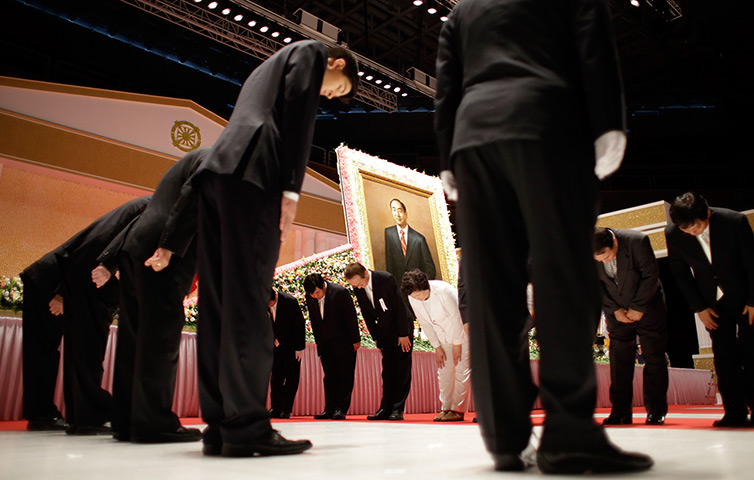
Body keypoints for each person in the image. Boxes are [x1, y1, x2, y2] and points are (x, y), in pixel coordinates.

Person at [434, 0, 653, 473]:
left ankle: (504, 436)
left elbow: (445, 88)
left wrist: (447, 155)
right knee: (563, 279)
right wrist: (610, 125)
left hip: (473, 139)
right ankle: (569, 434)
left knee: (491, 289)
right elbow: (594, 52)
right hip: (546, 122)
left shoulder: (463, 10)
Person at [150, 40, 358, 456]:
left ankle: (221, 424)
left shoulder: (267, 69)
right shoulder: (312, 55)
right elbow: (300, 112)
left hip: (218, 173)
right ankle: (246, 424)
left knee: (217, 304)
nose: (327, 95)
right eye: (336, 88)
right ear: (336, 63)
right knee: (248, 301)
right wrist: (291, 188)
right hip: (255, 171)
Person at [94, 147, 211, 443]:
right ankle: (153, 423)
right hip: (164, 251)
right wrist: (169, 246)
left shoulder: (202, 154)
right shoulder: (224, 154)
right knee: (160, 336)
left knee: (134, 338)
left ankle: (126, 419)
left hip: (138, 246)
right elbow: (193, 195)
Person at [56, 196, 151, 435]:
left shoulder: (147, 200)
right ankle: (90, 415)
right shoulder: (161, 201)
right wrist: (109, 264)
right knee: (88, 346)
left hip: (80, 265)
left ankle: (80, 416)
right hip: (94, 268)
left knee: (79, 349)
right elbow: (134, 231)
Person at [665, 192, 754, 427]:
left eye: (694, 226)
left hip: (745, 299)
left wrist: (753, 300)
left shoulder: (734, 221)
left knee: (751, 352)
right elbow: (680, 274)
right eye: (685, 228)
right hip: (712, 305)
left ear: (706, 213)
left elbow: (752, 263)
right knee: (724, 359)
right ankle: (734, 413)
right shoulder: (674, 233)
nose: (690, 231)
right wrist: (699, 307)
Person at [593, 227, 669, 426]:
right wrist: (615, 309)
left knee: (653, 358)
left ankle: (656, 411)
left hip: (648, 308)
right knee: (619, 362)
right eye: (599, 259)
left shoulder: (637, 241)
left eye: (607, 256)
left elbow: (650, 276)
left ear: (615, 242)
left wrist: (637, 307)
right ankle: (620, 412)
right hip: (616, 312)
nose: (604, 261)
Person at [344, 262, 413, 421]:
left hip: (401, 328)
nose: (358, 288)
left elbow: (399, 307)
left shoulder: (385, 278)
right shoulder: (358, 287)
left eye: (359, 283)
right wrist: (376, 338)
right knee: (387, 372)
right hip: (384, 332)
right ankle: (385, 408)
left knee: (401, 370)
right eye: (355, 285)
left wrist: (403, 334)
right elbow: (367, 314)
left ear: (365, 274)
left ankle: (397, 409)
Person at [401, 269, 470, 422]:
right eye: (413, 296)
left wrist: (457, 344)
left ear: (425, 286)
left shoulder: (444, 291)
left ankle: (457, 410)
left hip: (460, 336)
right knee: (444, 373)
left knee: (461, 371)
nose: (416, 299)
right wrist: (437, 347)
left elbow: (457, 318)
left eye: (418, 295)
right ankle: (446, 408)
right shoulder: (413, 297)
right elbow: (424, 322)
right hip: (442, 338)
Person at [19, 250, 71, 431]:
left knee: (43, 350)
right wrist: (63, 292)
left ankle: (40, 413)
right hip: (49, 285)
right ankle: (41, 414)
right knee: (43, 350)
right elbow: (85, 259)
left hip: (48, 281)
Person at [303, 273, 361, 420]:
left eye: (317, 292)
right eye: (311, 294)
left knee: (344, 376)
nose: (314, 296)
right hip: (325, 344)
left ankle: (340, 409)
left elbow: (350, 316)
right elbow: (315, 321)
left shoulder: (339, 293)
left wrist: (355, 340)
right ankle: (329, 408)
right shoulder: (311, 296)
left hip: (344, 342)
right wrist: (319, 343)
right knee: (329, 378)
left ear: (323, 285)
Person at [268, 288, 306, 419]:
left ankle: (286, 408)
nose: (268, 306)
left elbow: (299, 324)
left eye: (270, 304)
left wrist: (299, 348)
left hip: (291, 346)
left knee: (291, 378)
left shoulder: (289, 301)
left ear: (275, 298)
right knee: (276, 378)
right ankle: (275, 407)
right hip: (274, 346)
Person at [384, 199, 436, 281]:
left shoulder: (419, 239)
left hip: (416, 286)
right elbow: (389, 263)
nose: (397, 214)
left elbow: (430, 268)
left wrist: (422, 287)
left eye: (399, 210)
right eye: (394, 210)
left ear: (406, 213)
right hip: (398, 286)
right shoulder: (388, 233)